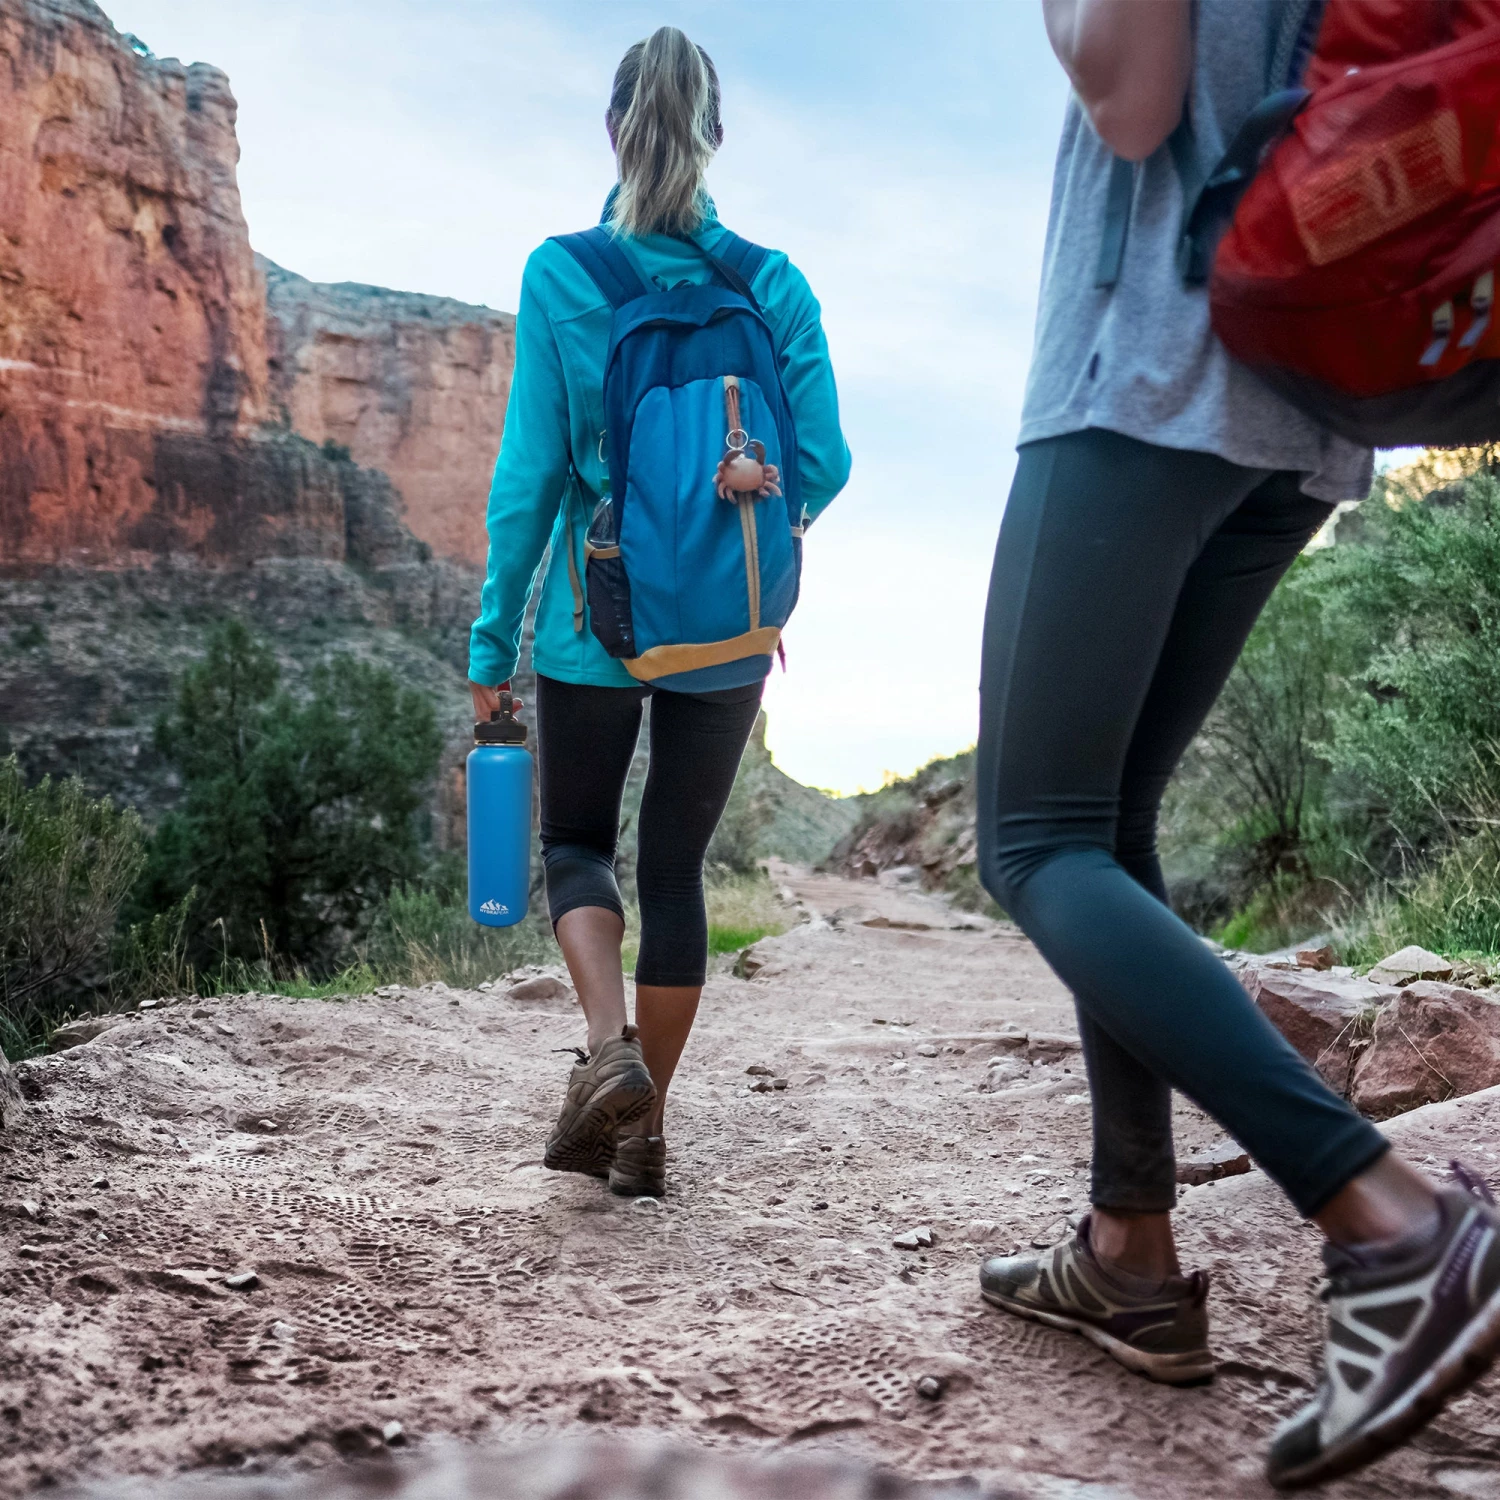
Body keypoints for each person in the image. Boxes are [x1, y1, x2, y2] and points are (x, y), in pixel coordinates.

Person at [974, 1, 1500, 1488]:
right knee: (1109, 823)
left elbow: (1130, 95)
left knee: (1033, 840)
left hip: (1147, 368)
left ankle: (1395, 1224)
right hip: (1308, 389)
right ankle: (1128, 1249)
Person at [467, 27, 850, 1201]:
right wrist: (734, 534)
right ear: (717, 133)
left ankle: (606, 1052)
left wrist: (493, 641)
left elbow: (529, 480)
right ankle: (647, 1133)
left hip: (597, 621)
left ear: (613, 130)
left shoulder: (563, 274)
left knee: (577, 848)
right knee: (676, 868)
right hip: (731, 633)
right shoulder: (774, 284)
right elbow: (827, 463)